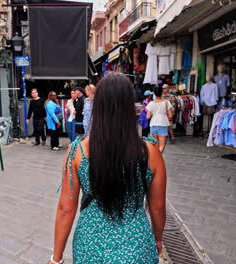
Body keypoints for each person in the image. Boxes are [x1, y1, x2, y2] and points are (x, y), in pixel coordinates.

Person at [47, 73, 167, 264]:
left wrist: (57, 257)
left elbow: (65, 210)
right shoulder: (151, 152)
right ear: (130, 107)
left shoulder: (78, 151)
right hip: (137, 246)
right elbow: (158, 207)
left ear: (98, 106)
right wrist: (158, 239)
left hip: (90, 247)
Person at [147, 87, 173, 153]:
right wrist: (164, 114)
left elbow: (148, 117)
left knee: (155, 145)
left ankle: (156, 159)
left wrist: (154, 114)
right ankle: (158, 159)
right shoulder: (166, 102)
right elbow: (170, 116)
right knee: (162, 145)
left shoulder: (150, 103)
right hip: (163, 124)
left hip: (153, 124)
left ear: (154, 93)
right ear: (162, 93)